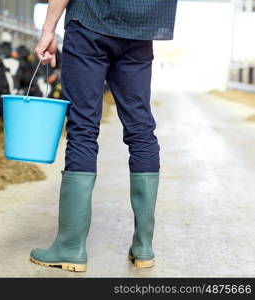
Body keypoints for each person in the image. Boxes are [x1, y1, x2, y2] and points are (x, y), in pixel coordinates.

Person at [30, 0, 179, 272]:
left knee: (83, 128)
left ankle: (70, 247)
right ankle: (143, 247)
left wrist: (48, 30)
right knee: (141, 129)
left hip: (90, 22)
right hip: (140, 30)